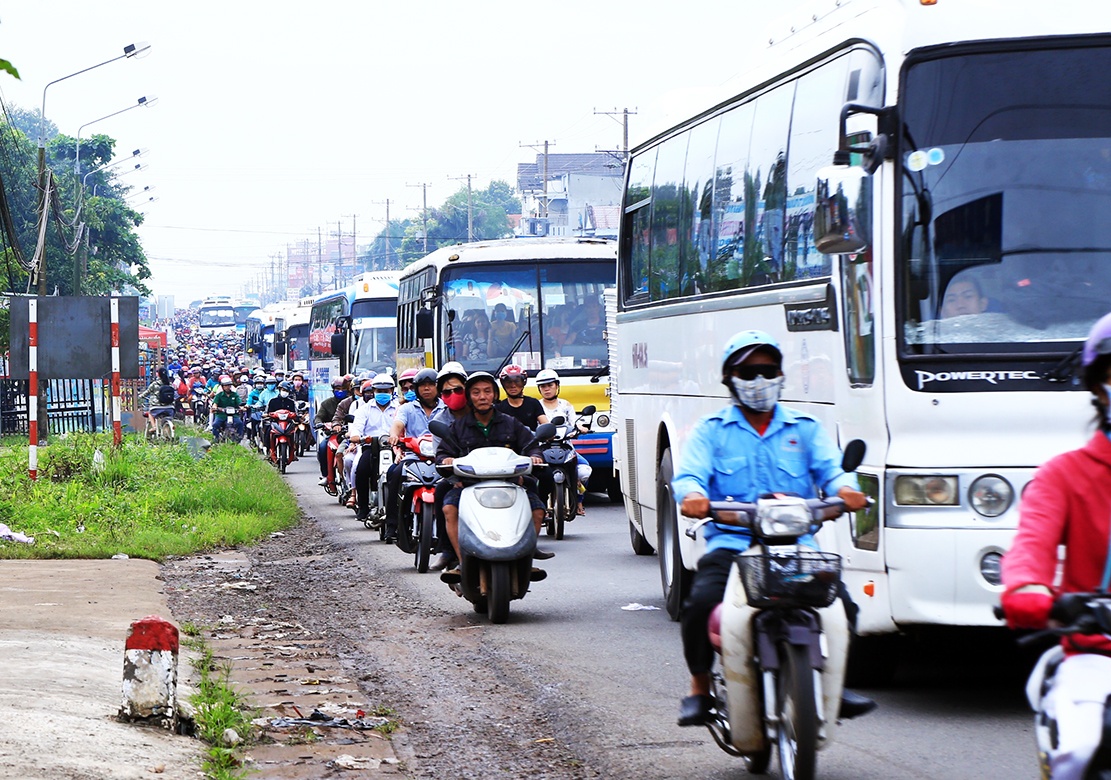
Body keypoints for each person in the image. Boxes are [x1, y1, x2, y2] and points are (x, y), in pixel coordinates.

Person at [672, 330, 873, 727]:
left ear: (781, 375)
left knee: (844, 605)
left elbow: (833, 473)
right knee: (697, 606)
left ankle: (836, 685)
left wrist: (847, 491)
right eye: (748, 371)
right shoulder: (711, 430)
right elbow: (690, 477)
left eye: (767, 370)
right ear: (730, 378)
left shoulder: (806, 428)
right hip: (734, 547)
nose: (759, 380)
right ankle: (699, 690)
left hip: (796, 546)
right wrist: (694, 496)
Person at [1000, 311, 1111, 780]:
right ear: (1098, 386)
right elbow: (1030, 549)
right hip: (1095, 656)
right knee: (1081, 749)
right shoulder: (1062, 475)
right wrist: (1033, 593)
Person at [434, 371, 554, 587]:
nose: (482, 397)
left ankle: (526, 556)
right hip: (469, 485)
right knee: (448, 508)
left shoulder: (511, 423)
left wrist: (535, 457)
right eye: (477, 392)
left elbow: (531, 445)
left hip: (511, 483)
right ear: (469, 396)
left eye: (487, 391)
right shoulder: (458, 427)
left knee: (537, 509)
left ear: (494, 395)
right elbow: (443, 452)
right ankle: (459, 561)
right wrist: (447, 460)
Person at [387, 367, 443, 549]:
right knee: (394, 473)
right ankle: (392, 525)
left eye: (431, 385)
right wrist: (394, 436)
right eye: (423, 385)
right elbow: (397, 424)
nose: (427, 389)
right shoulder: (407, 408)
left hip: (441, 457)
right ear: (417, 389)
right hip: (413, 456)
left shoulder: (446, 408)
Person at [429, 362, 470, 572]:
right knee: (441, 493)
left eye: (458, 390)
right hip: (458, 477)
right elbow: (440, 456)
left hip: (493, 474)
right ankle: (447, 550)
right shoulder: (440, 420)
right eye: (447, 391)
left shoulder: (483, 411)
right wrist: (454, 477)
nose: (453, 394)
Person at [535, 368, 592, 516]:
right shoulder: (537, 406)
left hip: (566, 448)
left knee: (584, 472)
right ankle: (539, 506)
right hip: (543, 449)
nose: (547, 389)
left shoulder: (566, 405)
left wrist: (580, 428)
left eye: (550, 385)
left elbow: (574, 423)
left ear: (557, 386)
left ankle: (579, 500)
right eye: (543, 386)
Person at [349, 373, 400, 529]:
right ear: (373, 391)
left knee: (401, 473)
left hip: (394, 448)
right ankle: (363, 507)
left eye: (386, 391)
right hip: (371, 447)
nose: (382, 394)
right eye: (379, 391)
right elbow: (356, 429)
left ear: (392, 391)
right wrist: (358, 437)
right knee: (362, 469)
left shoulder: (399, 408)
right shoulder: (365, 409)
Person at [315, 375, 349, 485]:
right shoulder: (326, 404)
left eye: (344, 389)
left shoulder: (352, 402)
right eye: (338, 389)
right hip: (333, 435)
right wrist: (320, 424)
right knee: (323, 447)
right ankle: (326, 475)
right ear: (333, 390)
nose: (341, 391)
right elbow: (319, 417)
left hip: (350, 434)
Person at [494, 364, 548, 430]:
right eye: (508, 382)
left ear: (523, 382)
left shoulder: (533, 403)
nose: (513, 386)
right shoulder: (499, 408)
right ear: (503, 384)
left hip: (531, 439)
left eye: (517, 382)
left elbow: (545, 424)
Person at [264, 380, 298, 463]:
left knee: (294, 433)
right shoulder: (273, 401)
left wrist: (296, 417)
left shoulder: (291, 402)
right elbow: (267, 412)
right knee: (268, 431)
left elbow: (295, 413)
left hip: (288, 424)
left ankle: (293, 452)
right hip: (275, 423)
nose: (284, 392)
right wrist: (268, 415)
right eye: (283, 390)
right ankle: (268, 451)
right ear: (279, 390)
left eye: (286, 391)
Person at [211, 375, 245, 443]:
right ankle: (216, 438)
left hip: (234, 415)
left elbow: (239, 403)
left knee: (240, 423)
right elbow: (215, 403)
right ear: (222, 387)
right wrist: (215, 407)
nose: (227, 387)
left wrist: (242, 408)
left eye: (229, 385)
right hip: (221, 415)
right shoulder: (219, 395)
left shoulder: (235, 395)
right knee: (215, 424)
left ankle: (238, 439)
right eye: (225, 386)